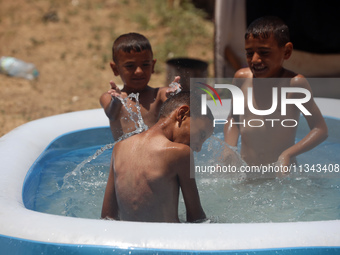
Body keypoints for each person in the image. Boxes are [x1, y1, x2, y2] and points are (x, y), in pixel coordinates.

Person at [223, 16, 328, 178]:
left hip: (281, 177)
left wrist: (287, 154)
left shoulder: (295, 84)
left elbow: (320, 129)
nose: (256, 60)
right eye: (249, 53)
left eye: (264, 53)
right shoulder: (241, 78)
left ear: (286, 51)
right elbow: (233, 118)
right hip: (248, 174)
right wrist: (229, 149)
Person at [101, 92, 214, 222]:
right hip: (166, 239)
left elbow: (107, 216)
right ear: (182, 114)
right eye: (200, 135)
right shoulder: (181, 153)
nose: (198, 148)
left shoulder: (119, 148)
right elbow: (196, 218)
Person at [100, 32, 181, 140]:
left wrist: (174, 98)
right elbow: (112, 115)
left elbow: (175, 107)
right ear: (115, 69)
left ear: (153, 66)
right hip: (125, 156)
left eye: (145, 64)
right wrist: (116, 102)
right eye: (130, 66)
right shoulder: (110, 98)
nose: (139, 71)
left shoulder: (159, 95)